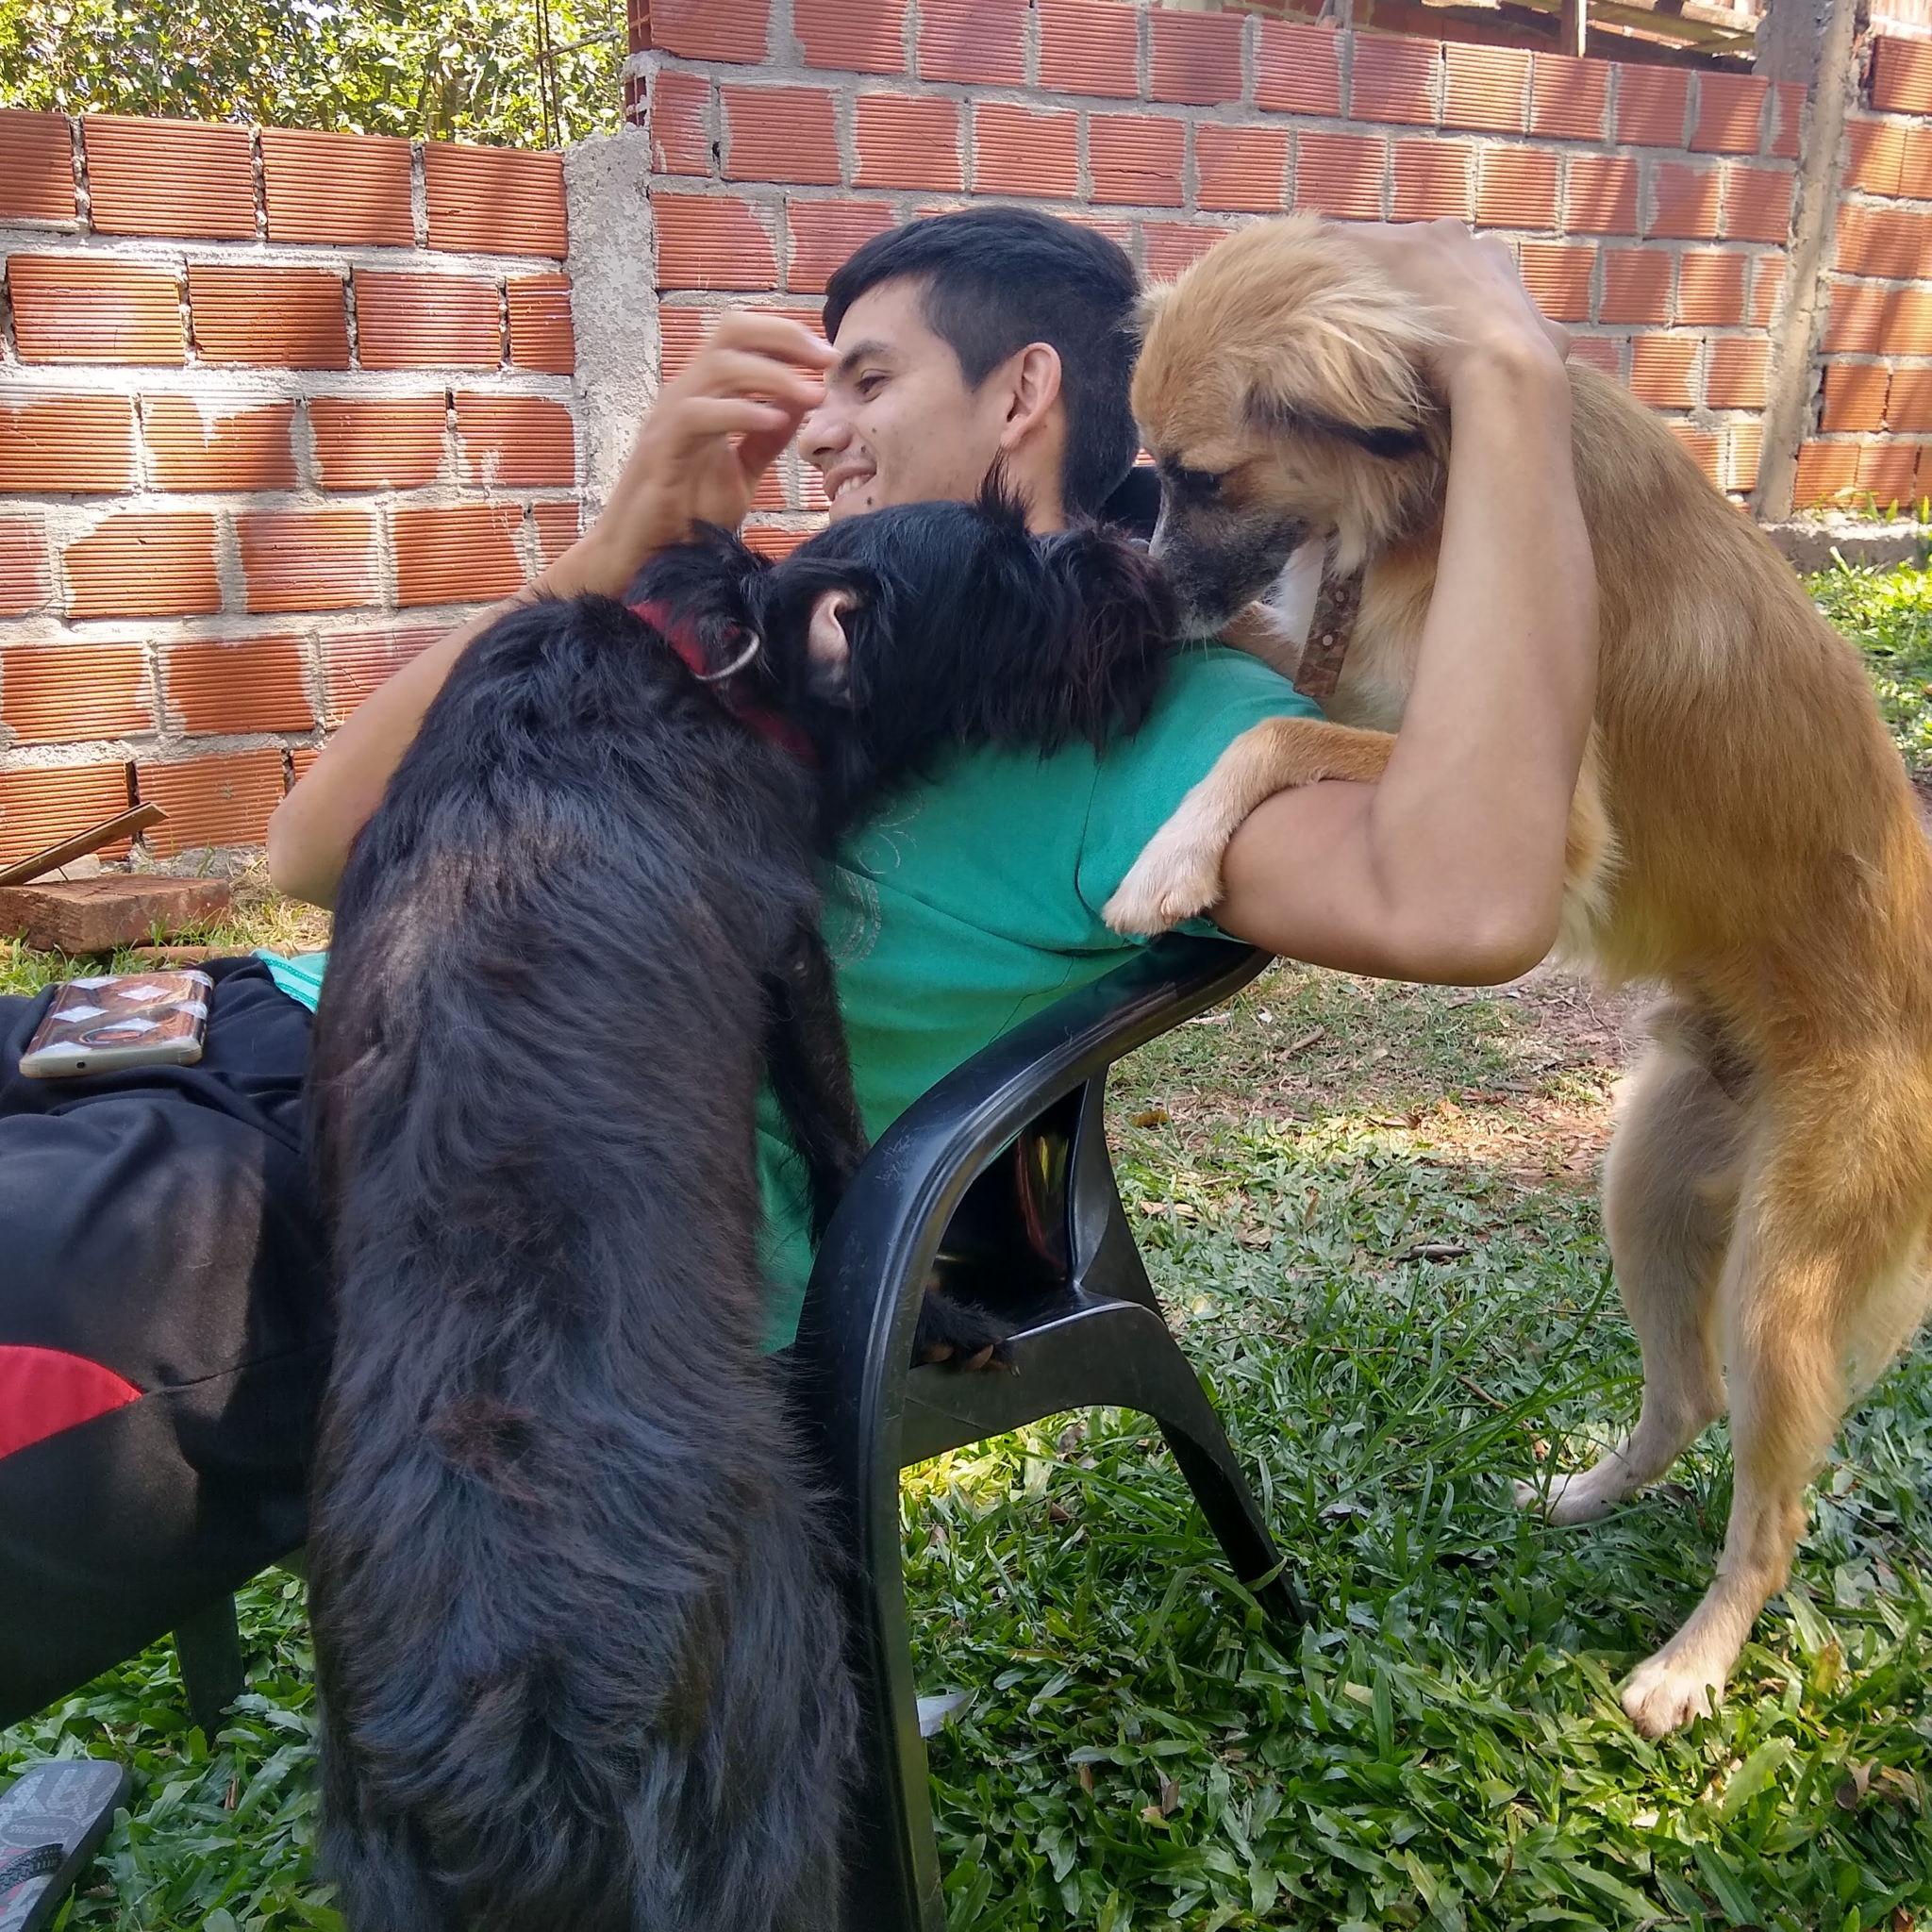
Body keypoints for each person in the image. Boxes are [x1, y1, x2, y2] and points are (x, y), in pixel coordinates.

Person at [0, 206, 1592, 1724]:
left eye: (870, 378)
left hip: (420, 1203)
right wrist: (623, 541)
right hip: (196, 1032)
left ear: (1025, 390)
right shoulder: (794, 621)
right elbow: (314, 853)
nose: (819, 432)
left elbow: (1465, 902)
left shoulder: (1162, 730)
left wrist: (1506, 383)